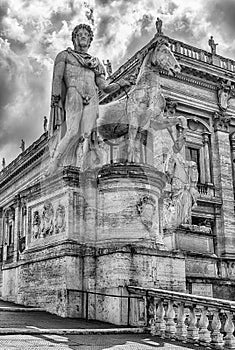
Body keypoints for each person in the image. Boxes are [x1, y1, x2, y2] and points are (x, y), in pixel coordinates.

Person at [47, 24, 129, 175]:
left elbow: (104, 87)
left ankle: (81, 166)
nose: (83, 36)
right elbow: (57, 78)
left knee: (87, 135)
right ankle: (54, 164)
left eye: (86, 34)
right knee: (72, 131)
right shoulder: (64, 56)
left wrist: (120, 84)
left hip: (92, 96)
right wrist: (56, 99)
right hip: (74, 92)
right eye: (80, 34)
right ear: (74, 38)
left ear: (90, 40)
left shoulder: (96, 62)